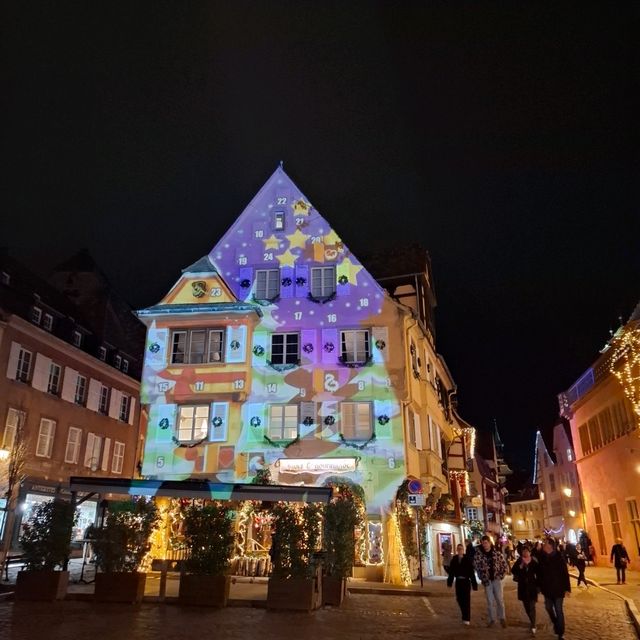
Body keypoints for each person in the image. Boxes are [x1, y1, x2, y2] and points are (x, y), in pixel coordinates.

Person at [473, 534, 509, 628]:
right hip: (487, 581)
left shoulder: (496, 553)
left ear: (489, 543)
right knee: (489, 601)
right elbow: (476, 567)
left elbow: (504, 565)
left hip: (496, 580)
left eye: (486, 543)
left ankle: (502, 618)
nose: (485, 545)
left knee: (499, 600)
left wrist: (501, 575)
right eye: (483, 543)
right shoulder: (479, 555)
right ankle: (492, 619)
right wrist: (482, 576)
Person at [539, 538, 571, 640]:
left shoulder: (559, 557)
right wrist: (539, 586)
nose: (543, 545)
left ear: (550, 546)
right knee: (548, 607)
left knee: (558, 610)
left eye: (545, 544)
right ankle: (555, 622)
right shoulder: (542, 557)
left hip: (558, 589)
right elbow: (539, 574)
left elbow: (565, 574)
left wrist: (567, 588)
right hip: (547, 589)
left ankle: (561, 633)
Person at [511, 547, 541, 635]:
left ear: (530, 552)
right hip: (523, 587)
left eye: (527, 551)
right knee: (527, 607)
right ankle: (532, 622)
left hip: (532, 587)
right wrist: (520, 567)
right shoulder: (519, 561)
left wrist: (539, 586)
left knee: (532, 606)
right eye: (524, 551)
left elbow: (539, 573)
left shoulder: (533, 561)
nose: (525, 553)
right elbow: (513, 571)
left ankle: (533, 625)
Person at [447, 543, 478, 625]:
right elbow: (451, 572)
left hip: (466, 582)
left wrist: (474, 585)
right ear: (457, 550)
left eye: (461, 548)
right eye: (458, 549)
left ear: (463, 550)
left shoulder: (467, 559)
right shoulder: (454, 559)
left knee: (466, 600)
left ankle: (466, 618)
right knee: (459, 599)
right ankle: (464, 613)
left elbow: (471, 572)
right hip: (458, 582)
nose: (460, 550)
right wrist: (449, 582)